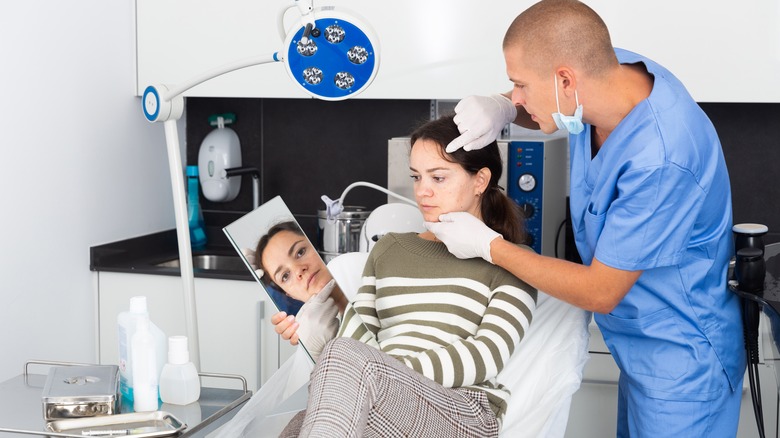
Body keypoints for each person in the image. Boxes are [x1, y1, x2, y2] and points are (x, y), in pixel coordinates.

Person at [426, 1, 745, 437]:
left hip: (681, 361)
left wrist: (489, 245)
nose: (515, 96)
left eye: (519, 86)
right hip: (641, 351)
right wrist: (503, 107)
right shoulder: (608, 73)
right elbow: (557, 95)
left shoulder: (660, 158)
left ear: (565, 80)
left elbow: (600, 291)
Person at [277, 115, 537, 437]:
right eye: (416, 177)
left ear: (480, 181)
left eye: (438, 178)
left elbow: (486, 355)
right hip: (385, 397)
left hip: (463, 411)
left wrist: (383, 373)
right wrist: (322, 319)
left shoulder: (514, 262)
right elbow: (361, 344)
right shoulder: (389, 249)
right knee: (296, 427)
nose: (422, 192)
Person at [255, 220, 348, 359]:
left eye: (300, 252)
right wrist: (314, 356)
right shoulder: (309, 336)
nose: (299, 270)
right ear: (290, 294)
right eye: (285, 276)